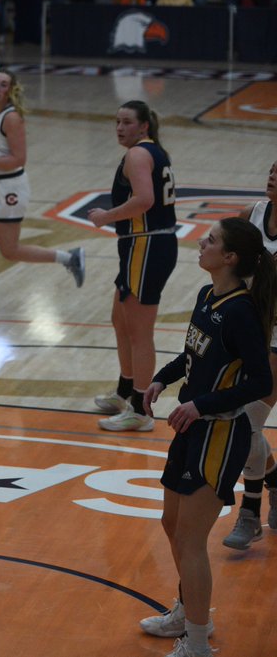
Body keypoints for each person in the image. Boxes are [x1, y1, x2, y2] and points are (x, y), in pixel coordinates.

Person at [137, 218, 275, 657]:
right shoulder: (206, 295)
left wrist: (201, 405)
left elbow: (260, 381)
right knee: (172, 525)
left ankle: (197, 643)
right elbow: (193, 353)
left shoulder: (241, 311)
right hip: (191, 427)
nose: (201, 242)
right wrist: (163, 378)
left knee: (191, 539)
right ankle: (188, 611)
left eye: (211, 240)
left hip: (219, 433)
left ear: (230, 257)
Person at [0, 69, 85, 307]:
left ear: (11, 90)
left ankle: (69, 258)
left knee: (10, 250)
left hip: (10, 188)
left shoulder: (12, 118)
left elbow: (18, 159)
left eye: (3, 85)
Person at [88, 101, 178, 432]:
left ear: (144, 126)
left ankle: (141, 410)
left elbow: (144, 200)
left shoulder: (138, 154)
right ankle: (125, 391)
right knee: (119, 319)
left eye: (127, 122)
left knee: (140, 332)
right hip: (143, 245)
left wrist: (105, 217)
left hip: (147, 245)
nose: (119, 128)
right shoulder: (153, 150)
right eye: (117, 122)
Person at [219, 162, 277, 549]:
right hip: (252, 330)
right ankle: (274, 481)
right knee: (244, 423)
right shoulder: (250, 215)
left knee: (248, 423)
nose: (272, 176)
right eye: (272, 170)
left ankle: (250, 513)